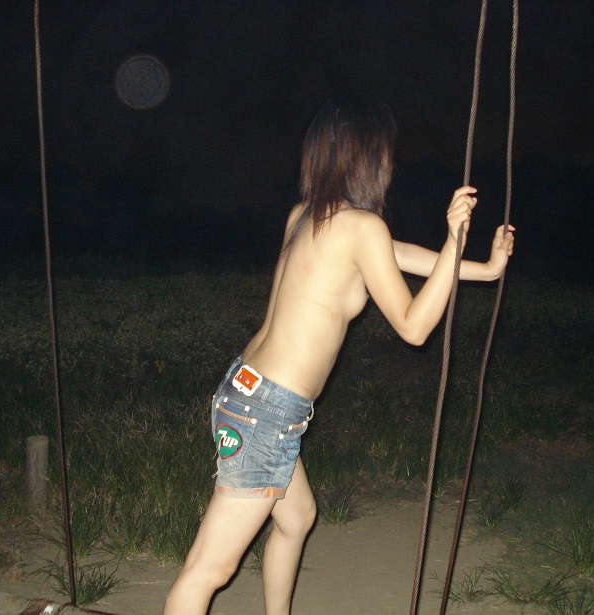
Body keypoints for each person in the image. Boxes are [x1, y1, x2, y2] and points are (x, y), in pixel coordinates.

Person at [162, 96, 514, 615]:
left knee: (297, 518)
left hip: (245, 390)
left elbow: (399, 255)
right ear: (370, 158)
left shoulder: (306, 216)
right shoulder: (359, 228)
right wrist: (454, 236)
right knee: (207, 570)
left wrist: (482, 267)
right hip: (267, 412)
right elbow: (415, 327)